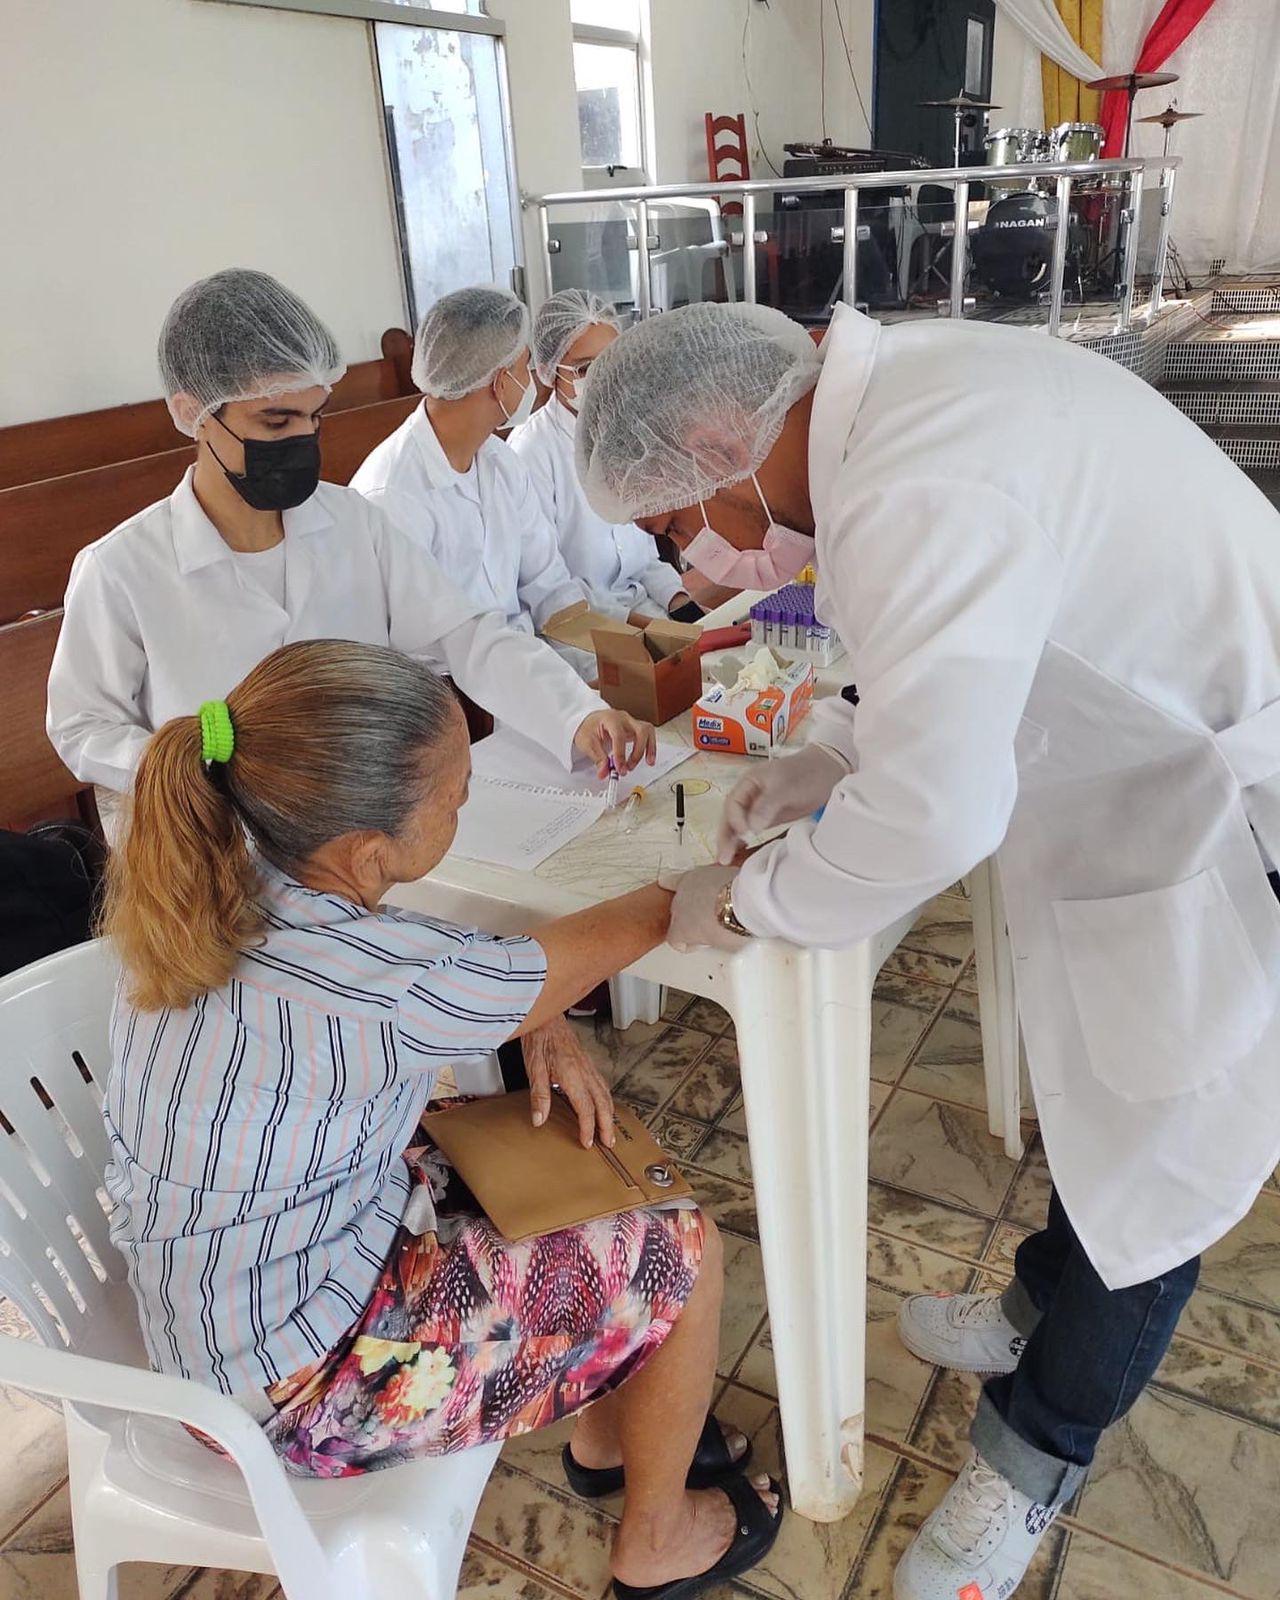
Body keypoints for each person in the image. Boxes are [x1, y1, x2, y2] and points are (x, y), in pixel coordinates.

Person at [575, 300, 1280, 1600]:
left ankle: (1029, 1466)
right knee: (1105, 1101)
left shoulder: (918, 474)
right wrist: (824, 758)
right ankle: (1028, 1314)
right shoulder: (899, 410)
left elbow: (939, 812)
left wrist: (752, 903)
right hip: (1142, 792)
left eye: (677, 520)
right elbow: (941, 657)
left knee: (1158, 1170)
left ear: (731, 443)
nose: (694, 560)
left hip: (1225, 826)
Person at [101, 638, 782, 1599]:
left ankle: (601, 1428)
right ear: (368, 849)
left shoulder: (217, 877)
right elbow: (572, 947)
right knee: (688, 1249)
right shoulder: (368, 982)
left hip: (226, 1313)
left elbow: (467, 979)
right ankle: (657, 1541)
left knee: (549, 1136)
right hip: (295, 1389)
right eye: (456, 796)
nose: (465, 805)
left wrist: (532, 1015)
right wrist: (686, 896)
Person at [46, 270, 651, 816]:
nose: (303, 440)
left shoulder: (353, 524)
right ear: (193, 413)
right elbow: (82, 726)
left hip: (358, 831)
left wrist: (576, 715)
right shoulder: (123, 570)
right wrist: (190, 768)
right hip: (218, 852)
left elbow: (468, 635)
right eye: (276, 423)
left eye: (315, 417)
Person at [351, 286, 600, 679]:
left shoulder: (500, 462)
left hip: (524, 671)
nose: (532, 379)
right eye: (525, 367)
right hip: (453, 699)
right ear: (501, 383)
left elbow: (549, 585)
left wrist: (598, 676)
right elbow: (419, 651)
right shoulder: (392, 496)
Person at [510, 289, 698, 624]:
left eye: (610, 361)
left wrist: (677, 598)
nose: (602, 378)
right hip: (578, 628)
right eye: (584, 369)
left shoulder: (627, 431)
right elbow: (545, 587)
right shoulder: (530, 453)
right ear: (549, 371)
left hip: (641, 607)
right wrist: (647, 629)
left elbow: (642, 557)